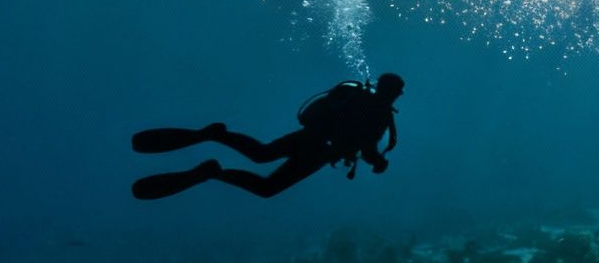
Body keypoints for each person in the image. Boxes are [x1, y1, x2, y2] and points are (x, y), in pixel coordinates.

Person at [129, 74, 403, 200]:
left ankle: (215, 137)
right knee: (266, 187)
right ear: (392, 92)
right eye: (398, 91)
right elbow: (364, 145)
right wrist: (379, 162)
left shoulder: (359, 98)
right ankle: (213, 171)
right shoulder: (379, 114)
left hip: (308, 138)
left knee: (261, 154)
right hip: (318, 153)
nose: (399, 95)